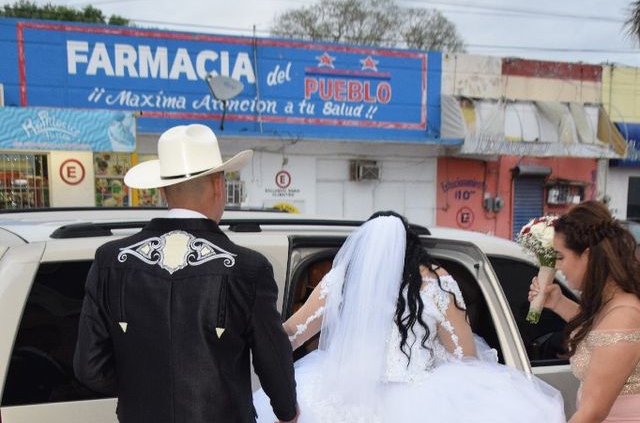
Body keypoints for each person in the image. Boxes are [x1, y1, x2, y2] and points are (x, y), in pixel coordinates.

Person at [74, 124, 299, 423]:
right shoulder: (248, 268)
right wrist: (286, 412)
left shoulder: (110, 260)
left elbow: (89, 368)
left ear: (163, 189)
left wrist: (143, 391)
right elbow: (272, 357)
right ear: (219, 185)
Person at [254, 210, 566, 423]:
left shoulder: (342, 280)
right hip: (420, 400)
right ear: (411, 246)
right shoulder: (436, 281)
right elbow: (464, 355)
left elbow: (292, 334)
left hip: (341, 396)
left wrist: (243, 341)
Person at [529, 201, 640, 423]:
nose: (557, 267)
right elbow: (596, 331)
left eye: (560, 257)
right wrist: (559, 302)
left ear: (587, 256)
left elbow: (591, 412)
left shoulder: (623, 315)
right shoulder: (611, 304)